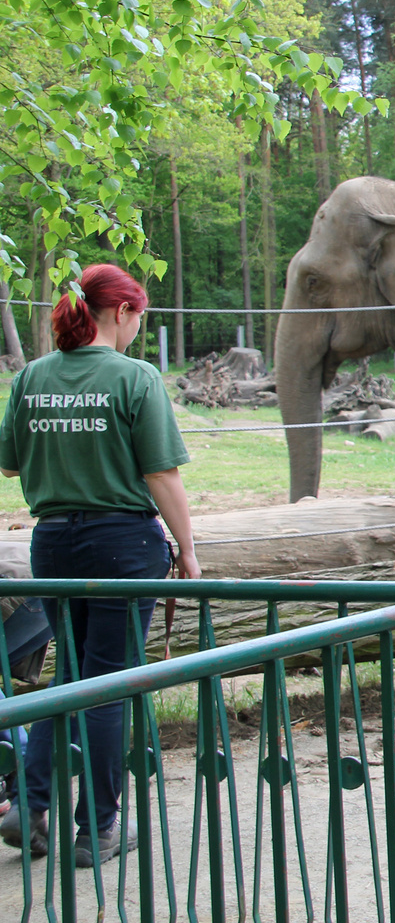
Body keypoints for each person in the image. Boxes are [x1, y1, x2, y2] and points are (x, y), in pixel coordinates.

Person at [0, 264, 199, 867]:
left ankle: (29, 810)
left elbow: (10, 465)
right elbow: (161, 473)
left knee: (70, 680)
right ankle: (98, 829)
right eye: (140, 317)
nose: (139, 328)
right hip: (122, 545)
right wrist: (187, 550)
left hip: (52, 543)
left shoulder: (31, 376)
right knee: (110, 684)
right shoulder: (134, 377)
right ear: (122, 312)